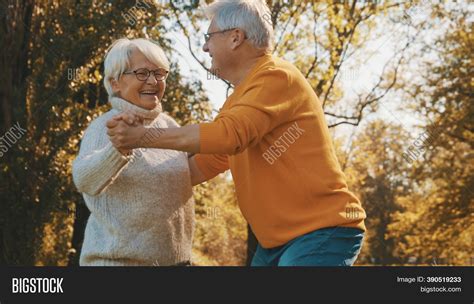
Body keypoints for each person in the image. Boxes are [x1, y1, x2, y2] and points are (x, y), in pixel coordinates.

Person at [106, 0, 367, 266]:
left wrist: (143, 137)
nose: (205, 46)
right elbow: (210, 160)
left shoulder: (277, 77)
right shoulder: (240, 98)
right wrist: (129, 178)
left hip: (323, 229)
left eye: (209, 36)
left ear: (235, 37)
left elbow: (229, 136)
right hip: (274, 243)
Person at [72, 38, 195, 266]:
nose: (153, 81)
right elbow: (83, 180)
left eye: (160, 73)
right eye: (142, 73)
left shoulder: (171, 126)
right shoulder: (105, 126)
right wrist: (118, 149)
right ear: (115, 82)